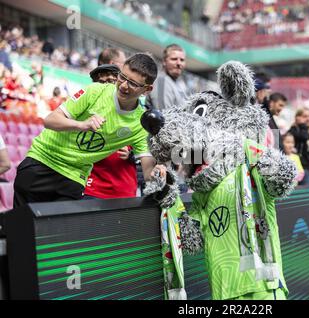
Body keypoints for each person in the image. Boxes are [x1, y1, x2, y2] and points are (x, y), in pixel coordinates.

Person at [13, 53, 166, 208]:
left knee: (60, 231)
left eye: (132, 83)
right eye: (122, 77)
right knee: (21, 229)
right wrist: (82, 125)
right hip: (42, 161)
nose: (124, 85)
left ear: (147, 89)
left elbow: (148, 173)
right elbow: (50, 120)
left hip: (74, 177)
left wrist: (158, 171)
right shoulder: (95, 91)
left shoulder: (141, 123)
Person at [83, 62, 138, 200]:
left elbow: (152, 153)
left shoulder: (137, 113)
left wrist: (132, 155)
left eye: (110, 81)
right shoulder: (85, 111)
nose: (105, 86)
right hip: (93, 189)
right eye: (100, 82)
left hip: (123, 191)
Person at [147, 44, 187, 110]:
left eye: (182, 60)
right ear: (164, 62)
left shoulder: (179, 84)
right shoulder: (162, 81)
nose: (178, 63)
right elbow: (163, 115)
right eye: (174, 59)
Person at [288, 108, 309, 185]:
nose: (308, 119)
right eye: (305, 116)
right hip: (301, 167)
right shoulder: (294, 130)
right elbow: (304, 136)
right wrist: (302, 125)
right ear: (298, 117)